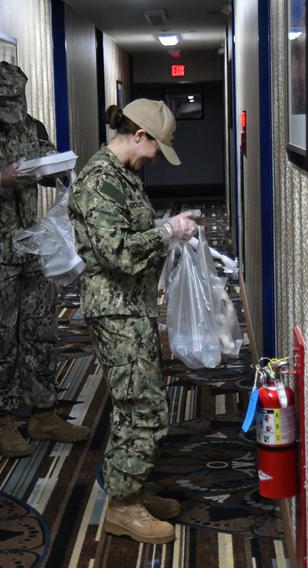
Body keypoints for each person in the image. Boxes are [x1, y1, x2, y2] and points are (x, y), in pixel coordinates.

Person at [68, 99, 197, 544]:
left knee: (138, 398)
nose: (156, 158)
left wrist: (165, 228)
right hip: (115, 308)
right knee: (142, 406)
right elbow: (117, 252)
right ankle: (123, 506)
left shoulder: (123, 175)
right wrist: (166, 232)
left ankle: (131, 488)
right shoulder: (100, 181)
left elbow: (127, 232)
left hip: (131, 305)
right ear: (138, 135)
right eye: (155, 147)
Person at [0, 62, 90, 458]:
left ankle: (43, 412)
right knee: (0, 338)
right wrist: (0, 181)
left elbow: (48, 158)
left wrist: (53, 169)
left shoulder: (30, 127)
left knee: (40, 329)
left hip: (31, 247)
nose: (11, 113)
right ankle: (3, 420)